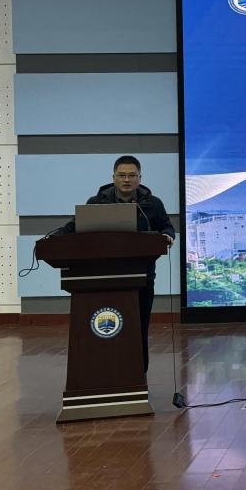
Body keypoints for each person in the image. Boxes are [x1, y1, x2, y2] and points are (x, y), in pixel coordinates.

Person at [59, 155, 175, 372]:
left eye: (132, 175)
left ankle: (138, 374)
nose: (127, 180)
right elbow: (74, 227)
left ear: (140, 178)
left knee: (138, 327)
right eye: (122, 175)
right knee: (102, 328)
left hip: (141, 277)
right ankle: (102, 372)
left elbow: (166, 226)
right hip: (101, 278)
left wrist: (168, 235)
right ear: (113, 178)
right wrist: (55, 238)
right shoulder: (96, 203)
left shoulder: (152, 204)